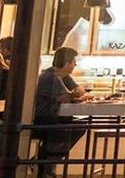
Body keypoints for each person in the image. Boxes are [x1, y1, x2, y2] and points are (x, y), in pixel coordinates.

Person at [34, 47, 86, 177]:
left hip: (52, 117)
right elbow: (65, 98)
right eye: (74, 62)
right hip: (41, 119)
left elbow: (77, 90)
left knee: (78, 126)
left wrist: (76, 93)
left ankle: (46, 160)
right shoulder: (51, 77)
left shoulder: (64, 77)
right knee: (68, 129)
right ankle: (46, 161)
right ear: (67, 63)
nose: (75, 65)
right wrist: (76, 95)